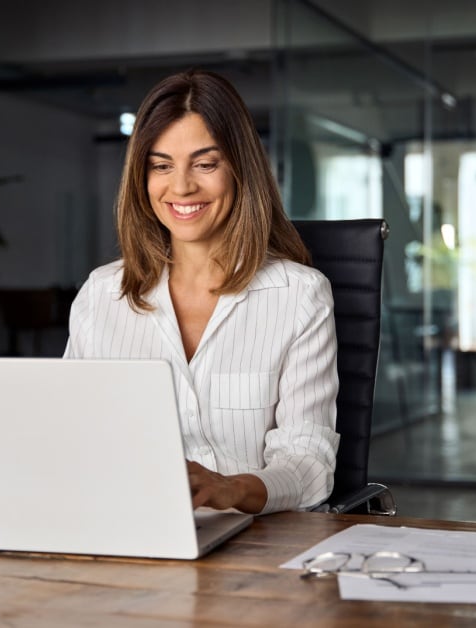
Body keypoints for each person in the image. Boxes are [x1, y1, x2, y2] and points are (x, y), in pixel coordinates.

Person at [64, 70, 339, 515]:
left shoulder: (300, 296)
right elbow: (69, 438)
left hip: (255, 543)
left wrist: (233, 489)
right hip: (128, 529)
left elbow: (309, 464)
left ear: (239, 169)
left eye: (205, 164)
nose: (182, 186)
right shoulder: (101, 296)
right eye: (161, 165)